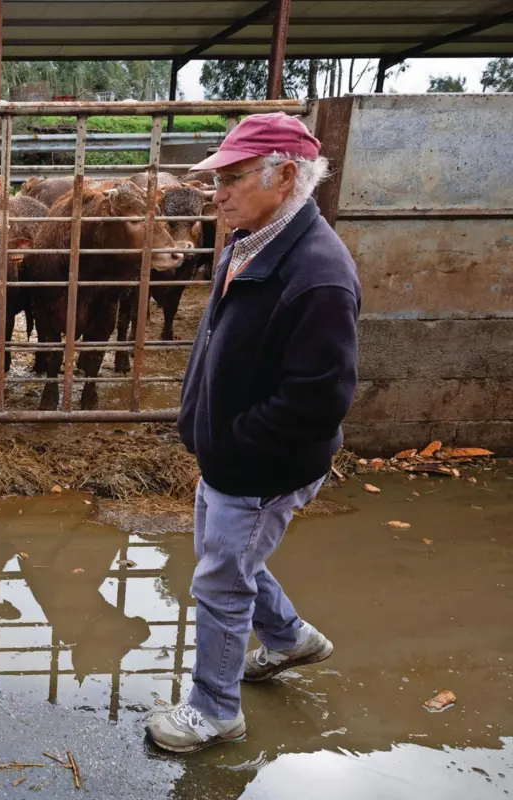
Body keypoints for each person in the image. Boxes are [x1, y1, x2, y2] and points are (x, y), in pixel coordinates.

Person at [145, 113, 362, 754]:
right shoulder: (253, 242)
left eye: (232, 179)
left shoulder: (318, 274)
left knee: (221, 580)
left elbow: (317, 399)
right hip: (228, 455)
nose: (216, 195)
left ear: (285, 175)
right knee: (230, 558)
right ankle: (290, 637)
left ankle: (214, 710)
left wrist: (235, 442)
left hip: (260, 467)